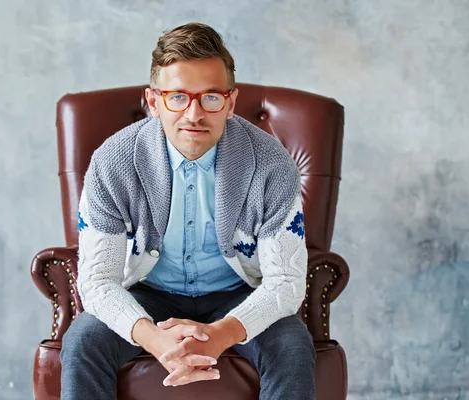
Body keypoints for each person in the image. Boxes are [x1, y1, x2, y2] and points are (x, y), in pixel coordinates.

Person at [60, 22, 315, 400]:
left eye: (210, 97)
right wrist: (154, 338)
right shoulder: (112, 162)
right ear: (153, 102)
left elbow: (286, 283)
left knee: (293, 344)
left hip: (238, 292)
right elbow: (98, 281)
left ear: (229, 102)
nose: (193, 114)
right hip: (148, 293)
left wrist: (221, 334)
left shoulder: (272, 165)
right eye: (177, 97)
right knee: (83, 340)